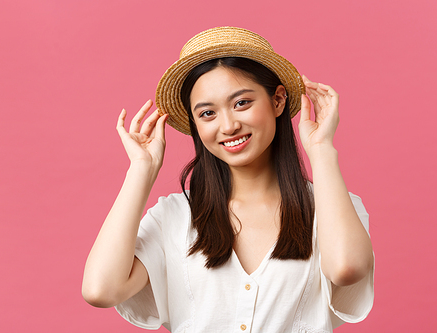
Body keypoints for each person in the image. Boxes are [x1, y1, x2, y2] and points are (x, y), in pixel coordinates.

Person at [82, 27, 374, 333]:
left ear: (277, 101)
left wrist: (322, 149)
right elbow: (101, 290)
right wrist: (142, 168)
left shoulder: (334, 208)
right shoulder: (175, 217)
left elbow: (346, 269)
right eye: (207, 113)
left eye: (242, 103)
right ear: (196, 124)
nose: (229, 125)